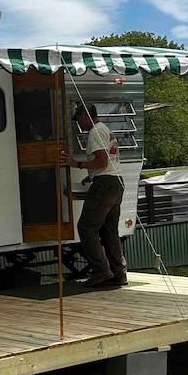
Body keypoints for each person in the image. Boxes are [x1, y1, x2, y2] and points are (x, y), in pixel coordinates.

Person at [59, 103, 127, 287]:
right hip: (116, 181)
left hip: (104, 184)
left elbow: (101, 162)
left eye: (78, 119)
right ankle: (118, 273)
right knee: (110, 230)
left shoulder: (95, 133)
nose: (78, 123)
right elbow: (108, 162)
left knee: (87, 227)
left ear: (85, 115)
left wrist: (76, 164)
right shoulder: (105, 129)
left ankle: (100, 271)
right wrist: (91, 177)